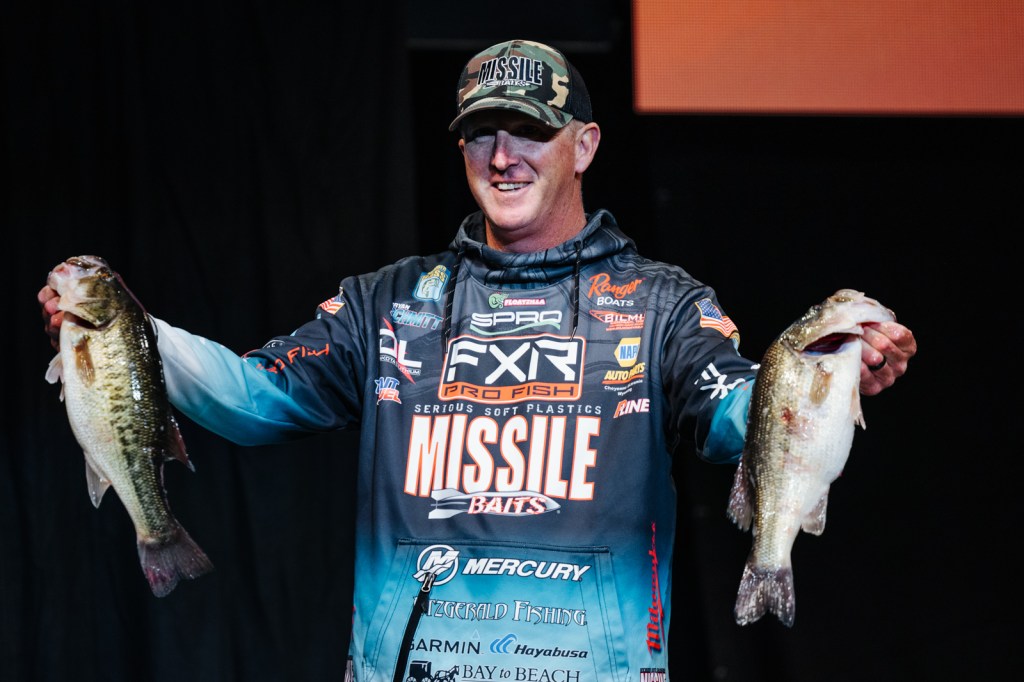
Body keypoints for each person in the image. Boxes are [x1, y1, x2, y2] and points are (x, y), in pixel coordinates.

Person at [38, 39, 917, 682]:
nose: (502, 156)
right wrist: (123, 337)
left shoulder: (662, 305)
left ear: (584, 145)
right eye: (480, 133)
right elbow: (251, 398)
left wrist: (826, 377)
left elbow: (736, 418)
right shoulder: (386, 302)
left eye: (529, 130)